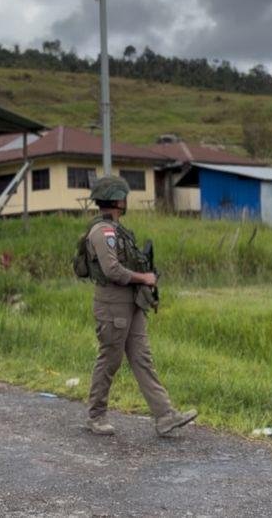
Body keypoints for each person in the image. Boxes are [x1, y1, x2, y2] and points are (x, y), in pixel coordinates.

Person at [79, 175, 198, 437]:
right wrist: (144, 278)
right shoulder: (103, 232)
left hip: (131, 302)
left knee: (142, 358)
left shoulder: (117, 229)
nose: (126, 200)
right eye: (123, 196)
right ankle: (95, 416)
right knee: (110, 359)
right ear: (117, 200)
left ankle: (165, 416)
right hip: (113, 304)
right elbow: (112, 270)